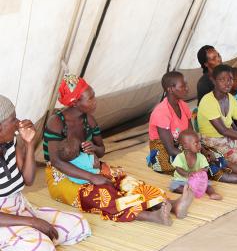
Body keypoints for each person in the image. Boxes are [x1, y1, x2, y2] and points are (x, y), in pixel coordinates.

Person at [43, 74, 193, 225]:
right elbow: (56, 161)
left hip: (90, 165)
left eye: (94, 96)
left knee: (126, 182)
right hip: (60, 176)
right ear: (75, 102)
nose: (95, 102)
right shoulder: (56, 122)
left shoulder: (89, 120)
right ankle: (149, 216)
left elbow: (101, 150)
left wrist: (94, 149)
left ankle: (170, 204)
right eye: (90, 99)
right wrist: (92, 177)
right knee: (100, 195)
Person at [149, 71, 237, 187]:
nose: (187, 88)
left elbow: (190, 134)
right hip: (163, 154)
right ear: (170, 89)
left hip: (183, 145)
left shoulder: (182, 105)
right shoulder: (161, 112)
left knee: (217, 157)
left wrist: (203, 149)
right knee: (210, 166)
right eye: (183, 86)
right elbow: (170, 149)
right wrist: (199, 156)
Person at [0, 95, 90, 251]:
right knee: (42, 249)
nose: (18, 121)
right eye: (12, 119)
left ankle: (21, 243)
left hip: (20, 209)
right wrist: (33, 222)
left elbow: (28, 180)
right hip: (3, 220)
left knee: (77, 225)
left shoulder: (10, 143)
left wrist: (28, 143)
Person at [170, 130, 222, 200]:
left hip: (197, 181)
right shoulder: (180, 157)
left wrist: (203, 170)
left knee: (208, 185)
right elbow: (178, 169)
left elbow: (206, 168)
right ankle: (190, 191)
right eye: (196, 143)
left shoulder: (201, 157)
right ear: (185, 146)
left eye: (199, 142)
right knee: (174, 186)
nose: (199, 145)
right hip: (182, 180)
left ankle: (212, 193)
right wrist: (188, 174)